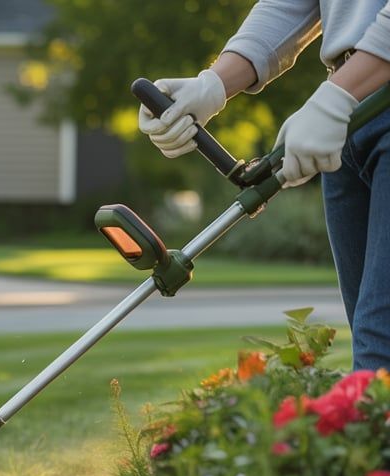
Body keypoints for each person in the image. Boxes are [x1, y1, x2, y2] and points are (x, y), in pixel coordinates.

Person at [138, 1, 390, 371]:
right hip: (347, 113)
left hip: (352, 95)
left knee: (378, 347)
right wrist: (213, 84)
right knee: (375, 358)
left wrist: (339, 95)